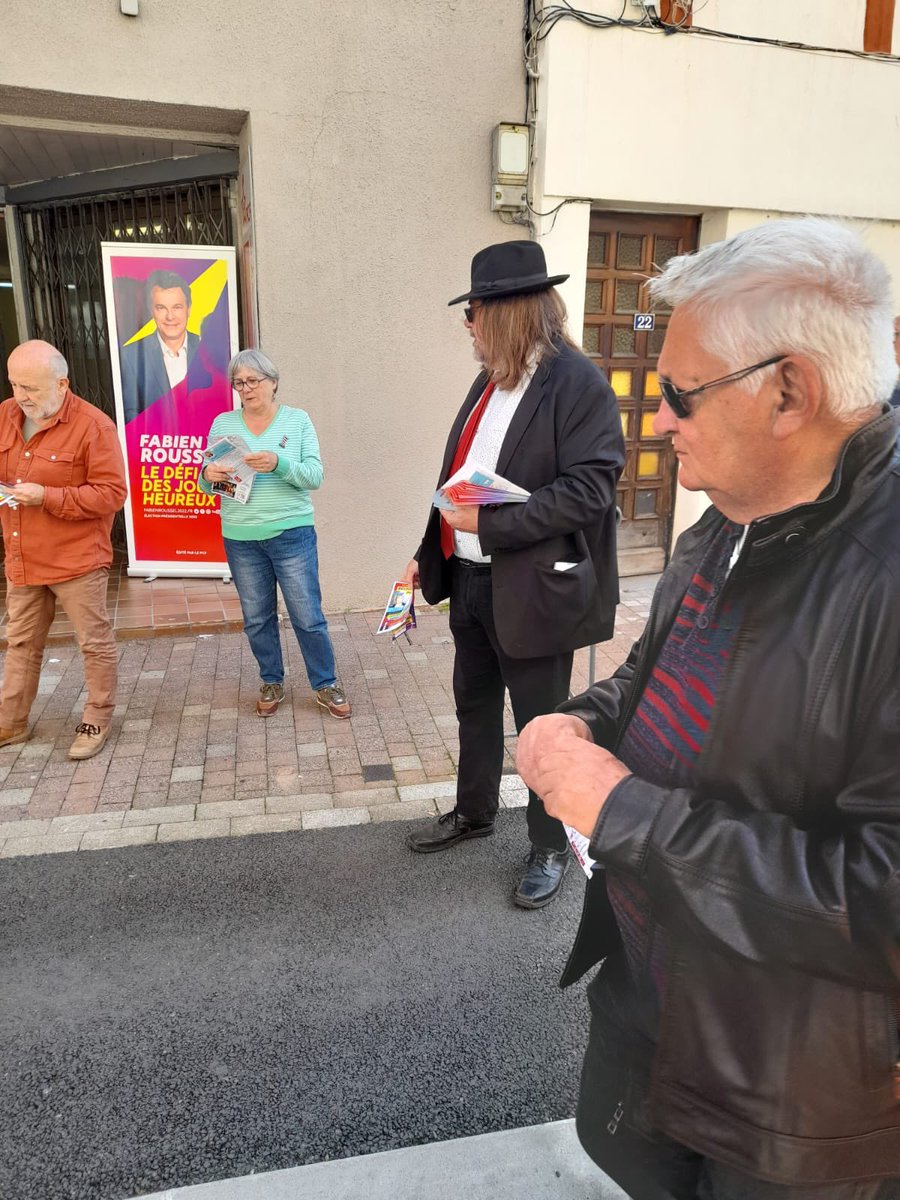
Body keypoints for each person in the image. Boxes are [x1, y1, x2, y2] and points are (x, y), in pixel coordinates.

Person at [517, 218, 900, 1197]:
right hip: (653, 1006)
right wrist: (585, 724)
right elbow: (657, 673)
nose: (656, 421)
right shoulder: (733, 505)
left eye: (680, 393)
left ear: (789, 392)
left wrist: (620, 810)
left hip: (789, 1091)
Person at [404, 240, 625, 909]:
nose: (466, 325)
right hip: (470, 583)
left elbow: (591, 488)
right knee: (473, 707)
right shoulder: (490, 379)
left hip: (533, 589)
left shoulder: (578, 383)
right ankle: (474, 813)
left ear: (504, 313)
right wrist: (428, 550)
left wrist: (493, 527)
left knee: (541, 729)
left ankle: (550, 845)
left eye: (471, 313)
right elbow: (458, 483)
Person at [198, 349, 350, 720]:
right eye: (239, 382)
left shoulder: (297, 422)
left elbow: (314, 476)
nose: (246, 389)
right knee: (256, 618)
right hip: (240, 536)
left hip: (290, 533)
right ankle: (271, 679)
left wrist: (278, 463)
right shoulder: (222, 423)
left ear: (273, 382)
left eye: (254, 381)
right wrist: (209, 476)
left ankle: (325, 682)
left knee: (307, 615)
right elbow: (207, 483)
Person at [0, 340, 127, 759]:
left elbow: (112, 494)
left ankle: (97, 717)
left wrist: (48, 496)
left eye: (31, 388)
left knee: (93, 642)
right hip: (23, 556)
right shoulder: (5, 415)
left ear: (62, 383)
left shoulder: (94, 426)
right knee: (20, 642)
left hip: (76, 559)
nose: (22, 397)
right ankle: (11, 723)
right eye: (16, 385)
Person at [120, 269, 203, 422]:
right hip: (156, 443)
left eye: (177, 307)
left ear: (189, 309)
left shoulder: (207, 350)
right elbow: (131, 413)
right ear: (152, 311)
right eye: (161, 308)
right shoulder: (132, 355)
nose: (170, 316)